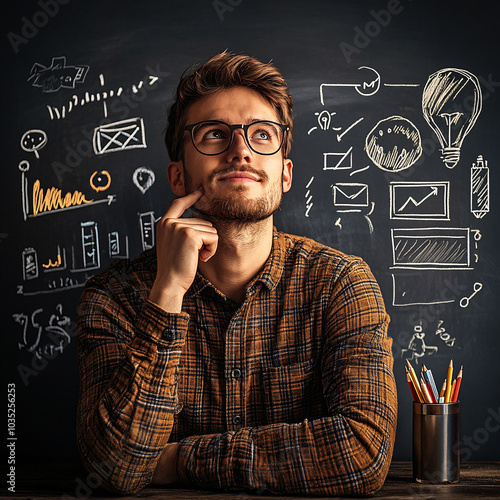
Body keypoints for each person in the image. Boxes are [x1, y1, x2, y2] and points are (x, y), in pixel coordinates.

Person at [76, 51, 398, 496]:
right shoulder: (114, 297)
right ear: (177, 175)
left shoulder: (341, 285)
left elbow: (363, 453)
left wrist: (178, 459)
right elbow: (115, 465)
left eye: (262, 134)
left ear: (284, 174)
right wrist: (168, 291)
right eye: (214, 135)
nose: (240, 150)